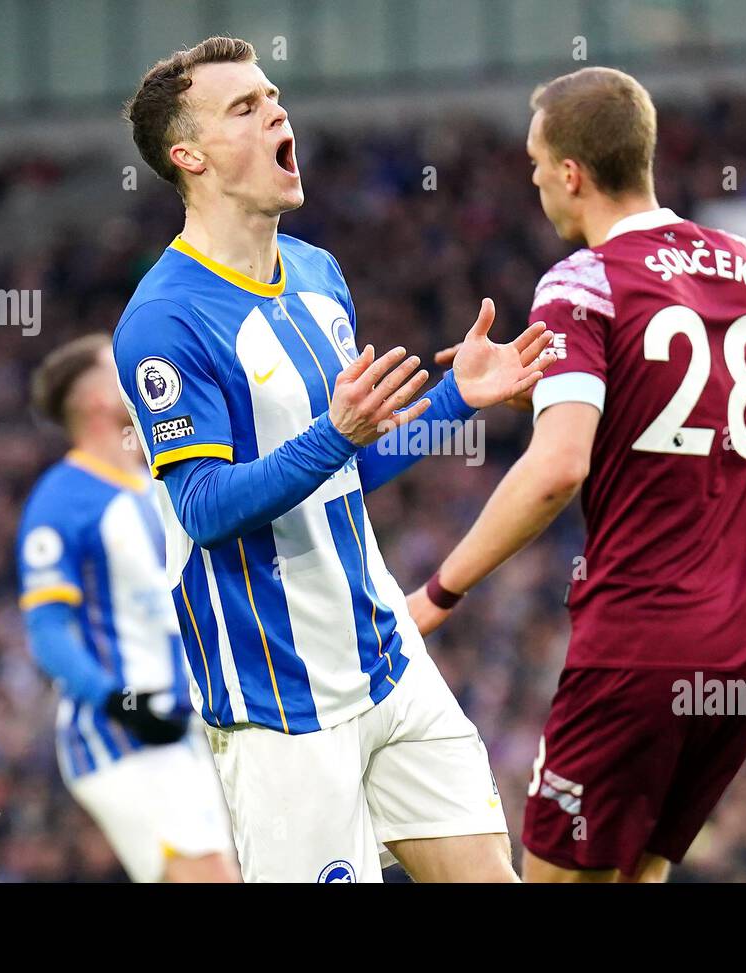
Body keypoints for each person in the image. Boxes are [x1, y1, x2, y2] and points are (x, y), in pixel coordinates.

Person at [113, 36, 555, 882]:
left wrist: (456, 399)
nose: (277, 111)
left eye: (272, 96)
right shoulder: (164, 322)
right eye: (244, 107)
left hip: (388, 660)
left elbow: (348, 466)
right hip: (280, 706)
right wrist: (336, 434)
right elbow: (203, 510)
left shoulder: (317, 274)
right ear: (189, 155)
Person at [408, 66, 746, 883]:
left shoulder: (583, 279)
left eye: (538, 161)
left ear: (572, 173)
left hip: (643, 636)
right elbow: (682, 416)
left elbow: (558, 468)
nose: (535, 176)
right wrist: (544, 390)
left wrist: (438, 592)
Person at [17, 334, 238, 882]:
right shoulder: (61, 499)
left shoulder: (154, 483)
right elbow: (47, 632)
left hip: (186, 727)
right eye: (114, 364)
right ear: (95, 400)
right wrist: (120, 703)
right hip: (121, 735)